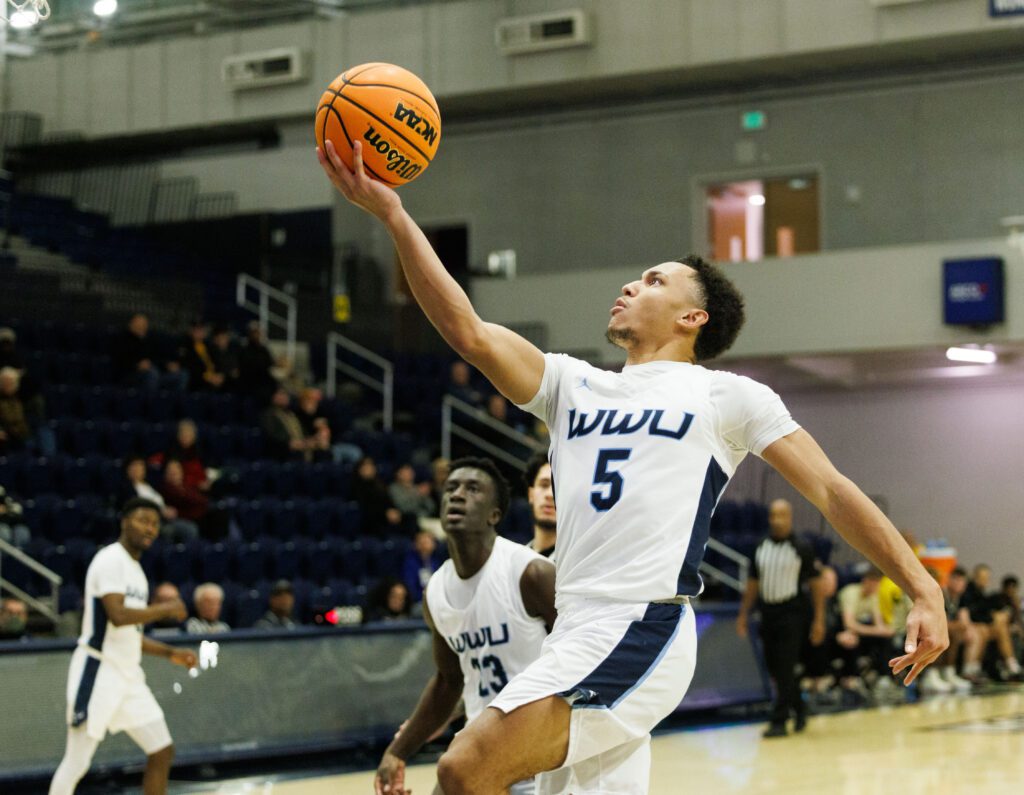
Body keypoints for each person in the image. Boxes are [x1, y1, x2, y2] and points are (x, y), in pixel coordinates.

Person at [318, 139, 948, 795]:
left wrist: (921, 585)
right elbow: (469, 331)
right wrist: (393, 215)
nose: (629, 284)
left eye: (654, 280)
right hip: (571, 625)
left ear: (691, 316)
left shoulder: (724, 396)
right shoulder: (572, 385)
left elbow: (831, 488)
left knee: (465, 763)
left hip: (640, 623)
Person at [375, 457, 556, 795]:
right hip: (482, 744)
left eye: (473, 489)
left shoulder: (531, 573)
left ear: (494, 515)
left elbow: (586, 661)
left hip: (543, 751)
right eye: (451, 489)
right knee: (451, 775)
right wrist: (397, 751)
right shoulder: (437, 591)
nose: (457, 495)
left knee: (451, 772)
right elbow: (449, 681)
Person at [48, 498, 197, 795]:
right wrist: (166, 609)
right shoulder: (110, 559)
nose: (150, 528)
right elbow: (117, 616)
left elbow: (130, 633)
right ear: (124, 521)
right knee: (77, 762)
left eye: (155, 524)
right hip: (99, 671)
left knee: (161, 749)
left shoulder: (137, 572)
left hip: (128, 677)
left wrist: (170, 653)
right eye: (143, 520)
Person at [736, 498, 824, 736]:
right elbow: (753, 582)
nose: (776, 520)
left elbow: (817, 584)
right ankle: (800, 706)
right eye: (773, 515)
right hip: (767, 613)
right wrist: (744, 614)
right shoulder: (761, 546)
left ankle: (779, 720)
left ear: (790, 517)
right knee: (775, 668)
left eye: (781, 515)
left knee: (785, 666)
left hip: (793, 614)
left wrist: (819, 619)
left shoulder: (801, 547)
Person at [960, 564, 1022, 682]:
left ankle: (1011, 663)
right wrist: (991, 618)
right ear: (975, 577)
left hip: (979, 625)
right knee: (982, 631)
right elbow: (969, 613)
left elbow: (984, 611)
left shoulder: (982, 593)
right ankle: (969, 670)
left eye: (987, 577)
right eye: (982, 577)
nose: (985, 580)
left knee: (1001, 629)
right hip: (971, 626)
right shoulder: (968, 591)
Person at [121, 457, 199, 543]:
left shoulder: (149, 485)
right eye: (134, 466)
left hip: (164, 518)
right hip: (149, 520)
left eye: (141, 466)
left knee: (190, 527)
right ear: (127, 469)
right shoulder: (127, 488)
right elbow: (134, 506)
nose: (138, 469)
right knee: (169, 531)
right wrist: (160, 511)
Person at [111, 314, 185, 391]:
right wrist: (137, 365)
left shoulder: (150, 339)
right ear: (131, 325)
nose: (142, 327)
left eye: (144, 325)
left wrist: (168, 365)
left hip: (154, 373)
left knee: (182, 374)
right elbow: (120, 360)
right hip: (130, 375)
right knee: (152, 373)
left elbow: (158, 357)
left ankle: (176, 401)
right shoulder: (121, 339)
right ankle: (150, 400)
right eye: (139, 325)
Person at [523, 453, 556, 558]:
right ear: (530, 494)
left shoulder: (578, 565)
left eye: (559, 487)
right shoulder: (512, 560)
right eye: (544, 485)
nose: (550, 495)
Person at [402, 528, 445, 603]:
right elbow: (410, 587)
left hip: (435, 600)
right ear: (415, 544)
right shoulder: (410, 562)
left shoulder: (436, 561)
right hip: (418, 601)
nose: (424, 544)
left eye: (428, 541)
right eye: (422, 541)